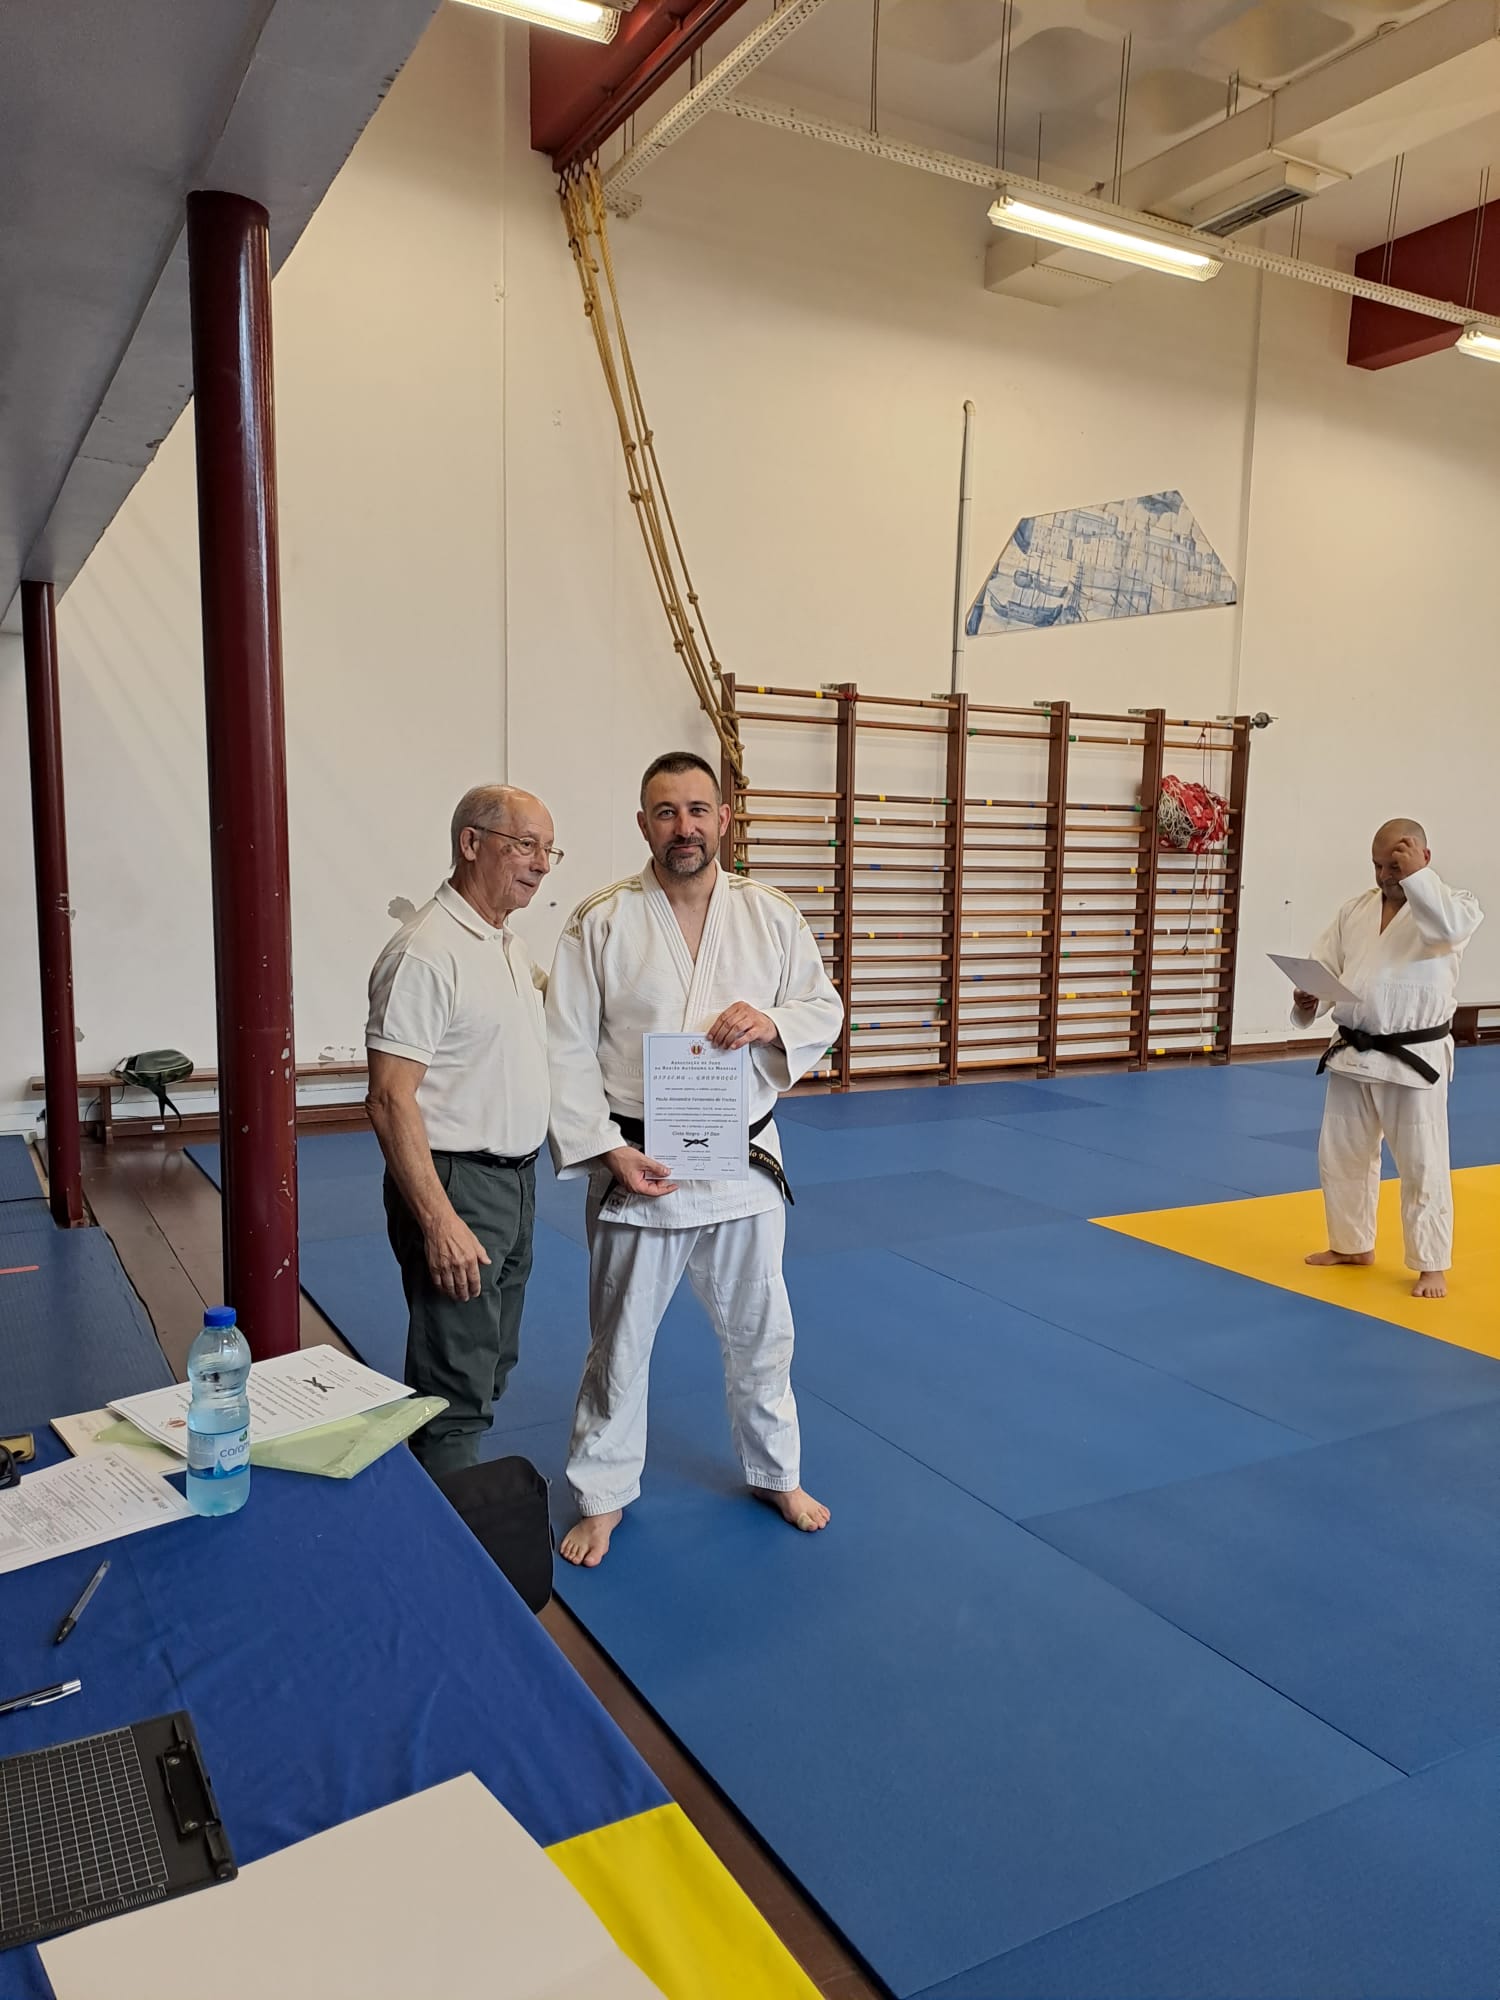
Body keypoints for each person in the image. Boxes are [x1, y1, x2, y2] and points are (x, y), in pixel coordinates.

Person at [546, 750, 845, 1566]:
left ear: (724, 819)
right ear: (643, 824)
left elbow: (823, 1005)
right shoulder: (601, 920)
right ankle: (603, 1496)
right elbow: (564, 1047)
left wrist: (773, 1022)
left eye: (698, 809)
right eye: (666, 811)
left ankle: (776, 1472)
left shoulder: (771, 915)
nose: (684, 826)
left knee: (763, 1332)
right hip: (638, 1163)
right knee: (620, 1343)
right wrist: (607, 1151)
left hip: (743, 1159)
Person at [365, 784, 559, 1474]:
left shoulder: (505, 944)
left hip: (515, 1182)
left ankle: (444, 1492)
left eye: (549, 850)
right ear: (470, 843)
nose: (540, 864)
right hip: (458, 1184)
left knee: (492, 1360)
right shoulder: (427, 952)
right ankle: (445, 1526)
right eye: (524, 844)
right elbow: (389, 1098)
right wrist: (439, 1220)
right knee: (454, 1388)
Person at [1293, 819, 1482, 1301]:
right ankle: (1351, 1244)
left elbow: (1444, 931)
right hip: (1352, 1051)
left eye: (1394, 867)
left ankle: (1431, 1264)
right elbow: (1327, 967)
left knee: (1423, 1164)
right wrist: (1310, 997)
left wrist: (1415, 877)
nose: (1383, 876)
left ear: (1424, 858)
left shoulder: (1455, 907)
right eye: (1377, 866)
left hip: (1413, 1056)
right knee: (1342, 1157)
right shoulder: (1355, 909)